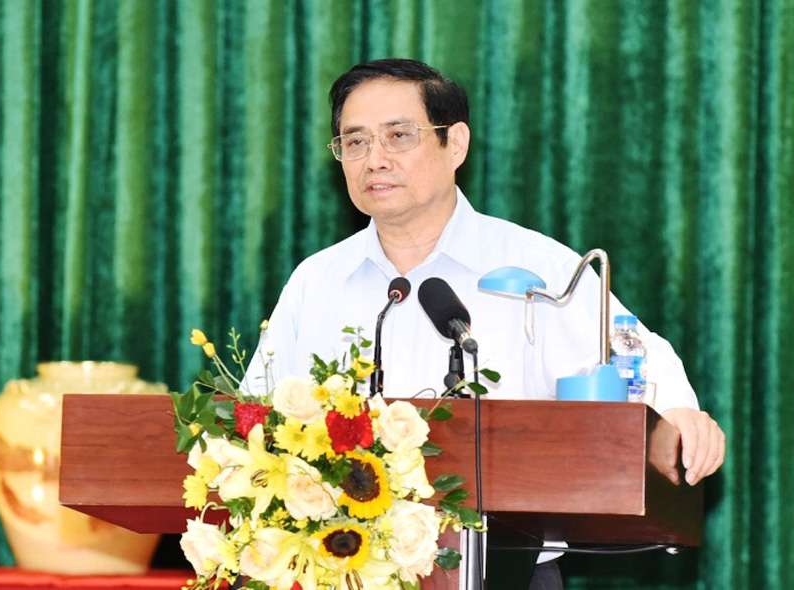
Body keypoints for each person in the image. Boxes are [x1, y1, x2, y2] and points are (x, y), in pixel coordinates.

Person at [248, 58, 726, 589]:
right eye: (355, 142)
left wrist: (678, 414)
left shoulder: (536, 267)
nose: (375, 159)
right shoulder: (317, 281)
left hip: (507, 571)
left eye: (398, 136)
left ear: (455, 143)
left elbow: (633, 355)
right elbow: (253, 417)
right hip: (339, 570)